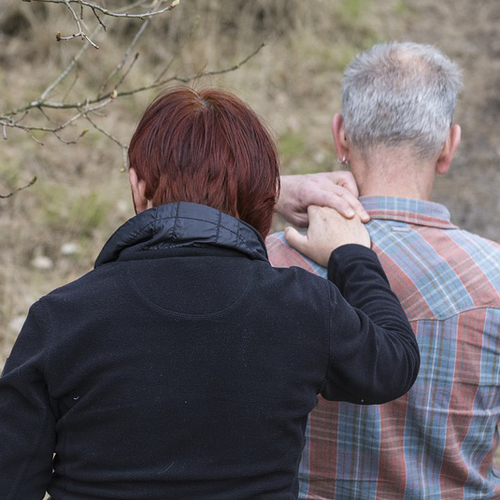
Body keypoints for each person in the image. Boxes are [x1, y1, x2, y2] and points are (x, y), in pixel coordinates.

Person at [0, 86, 419, 500]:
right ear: (264, 199)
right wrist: (350, 254)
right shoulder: (303, 308)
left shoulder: (61, 319)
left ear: (136, 187)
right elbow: (396, 362)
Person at [267, 41, 500, 499]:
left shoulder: (268, 263)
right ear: (448, 147)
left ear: (341, 138)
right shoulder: (494, 279)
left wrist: (267, 191)